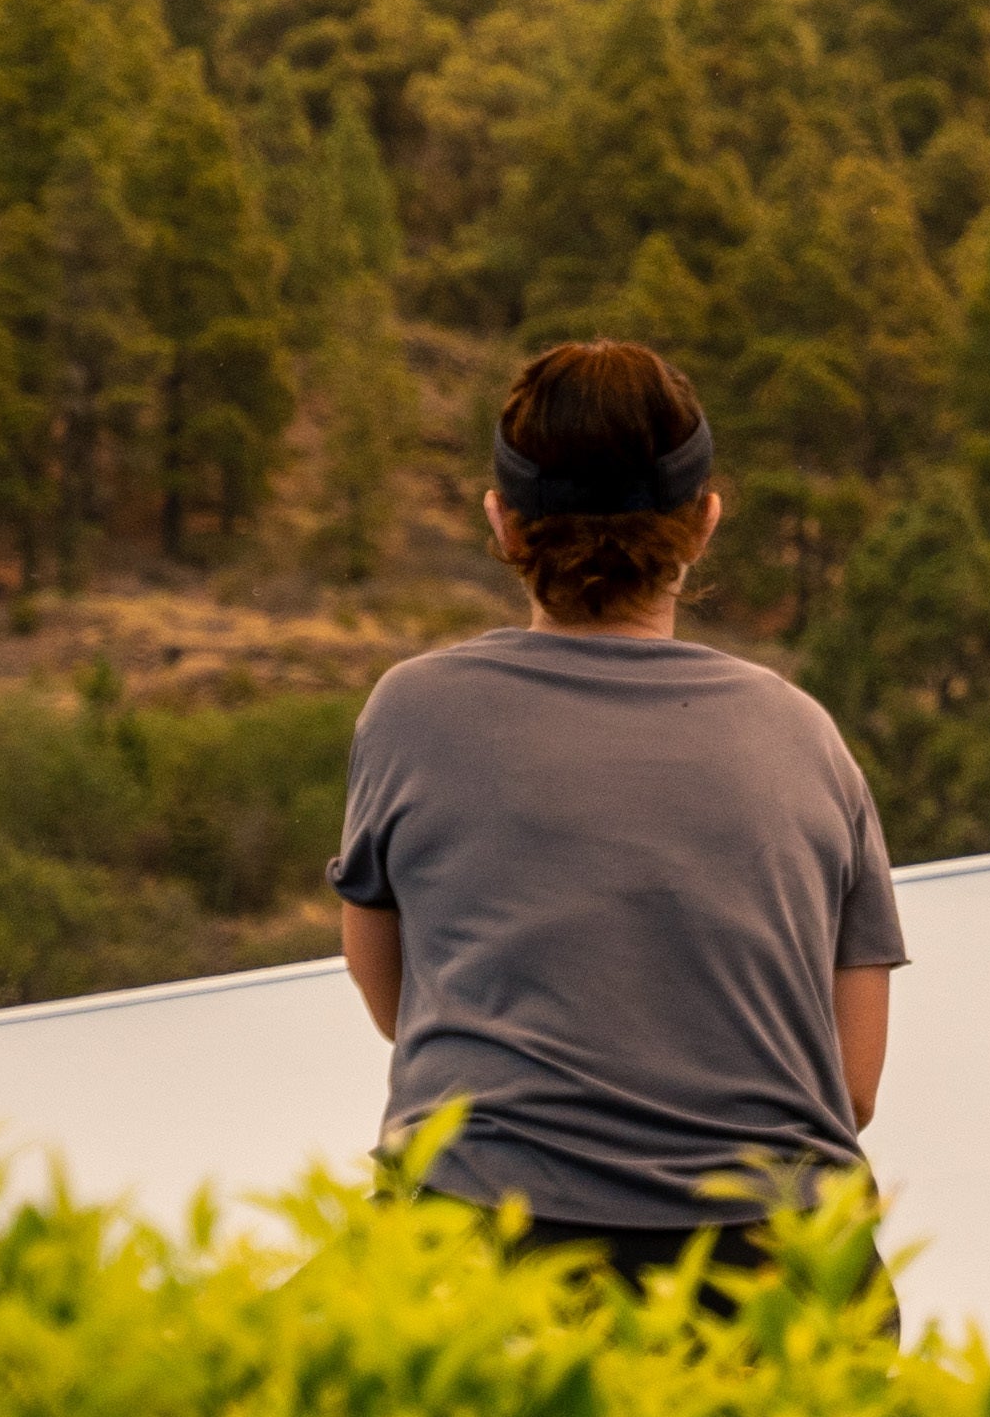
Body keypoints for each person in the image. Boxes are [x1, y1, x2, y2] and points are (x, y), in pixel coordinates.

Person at [332, 338, 908, 1280]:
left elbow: (390, 992)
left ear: (504, 524)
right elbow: (850, 1086)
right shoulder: (804, 736)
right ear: (704, 523)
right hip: (783, 1277)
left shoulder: (413, 711)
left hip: (493, 1251)